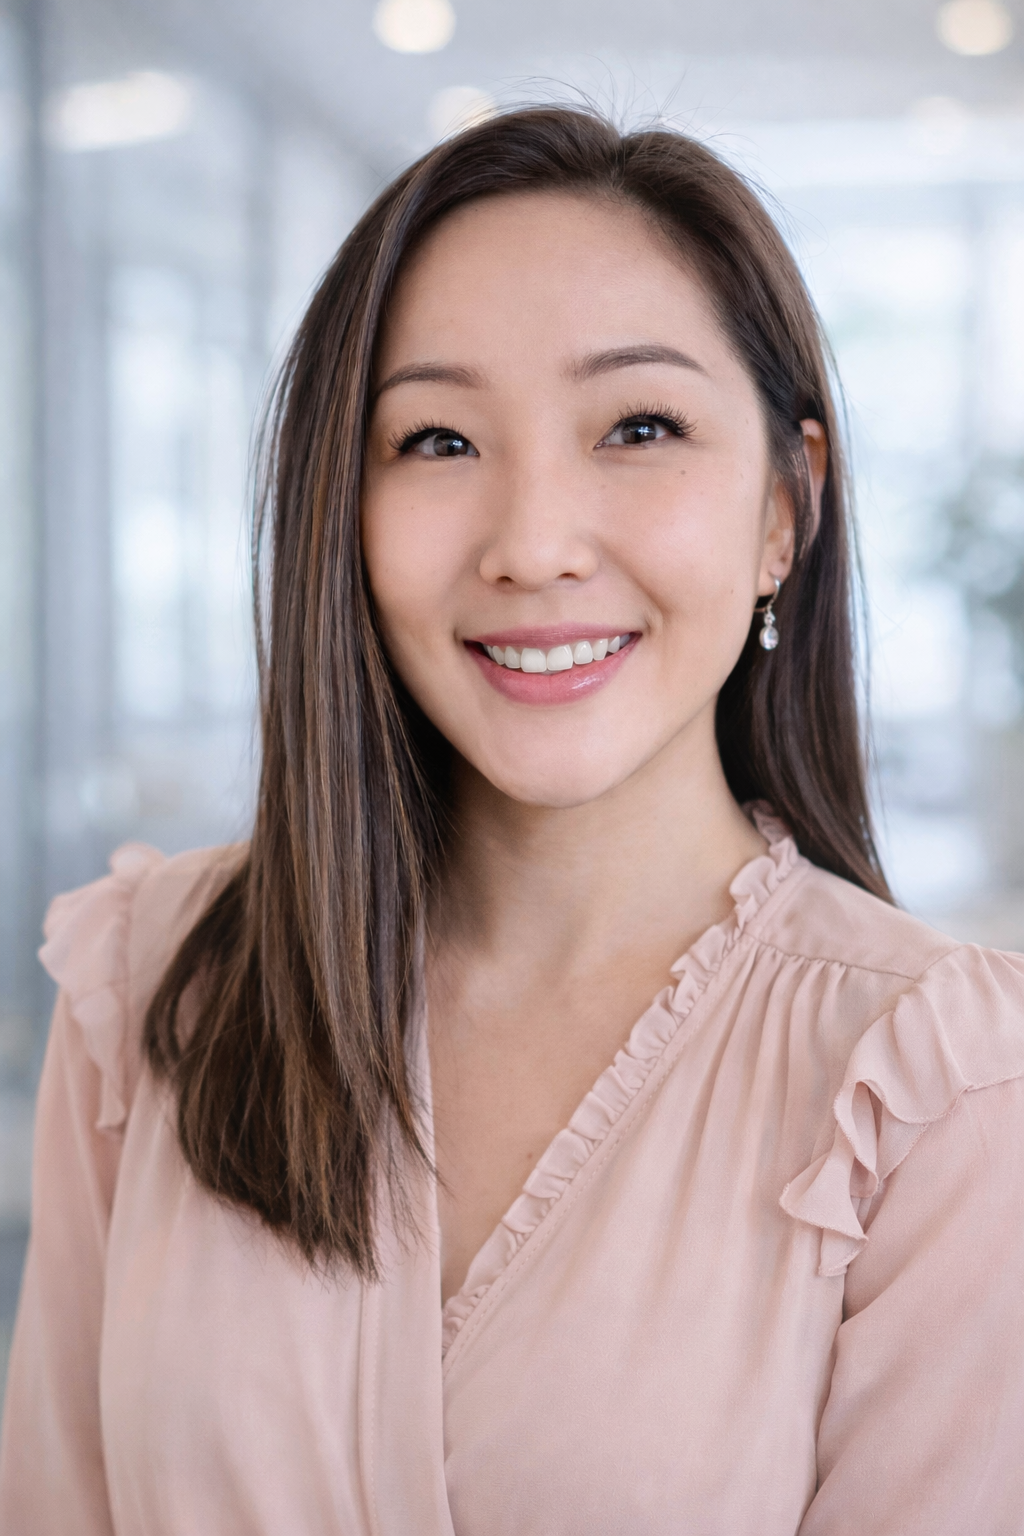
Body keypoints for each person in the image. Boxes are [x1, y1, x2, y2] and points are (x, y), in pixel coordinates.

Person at [2, 106, 1023, 1536]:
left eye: (641, 427)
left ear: (785, 508)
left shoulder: (937, 1094)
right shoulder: (155, 984)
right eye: (437, 439)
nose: (534, 545)